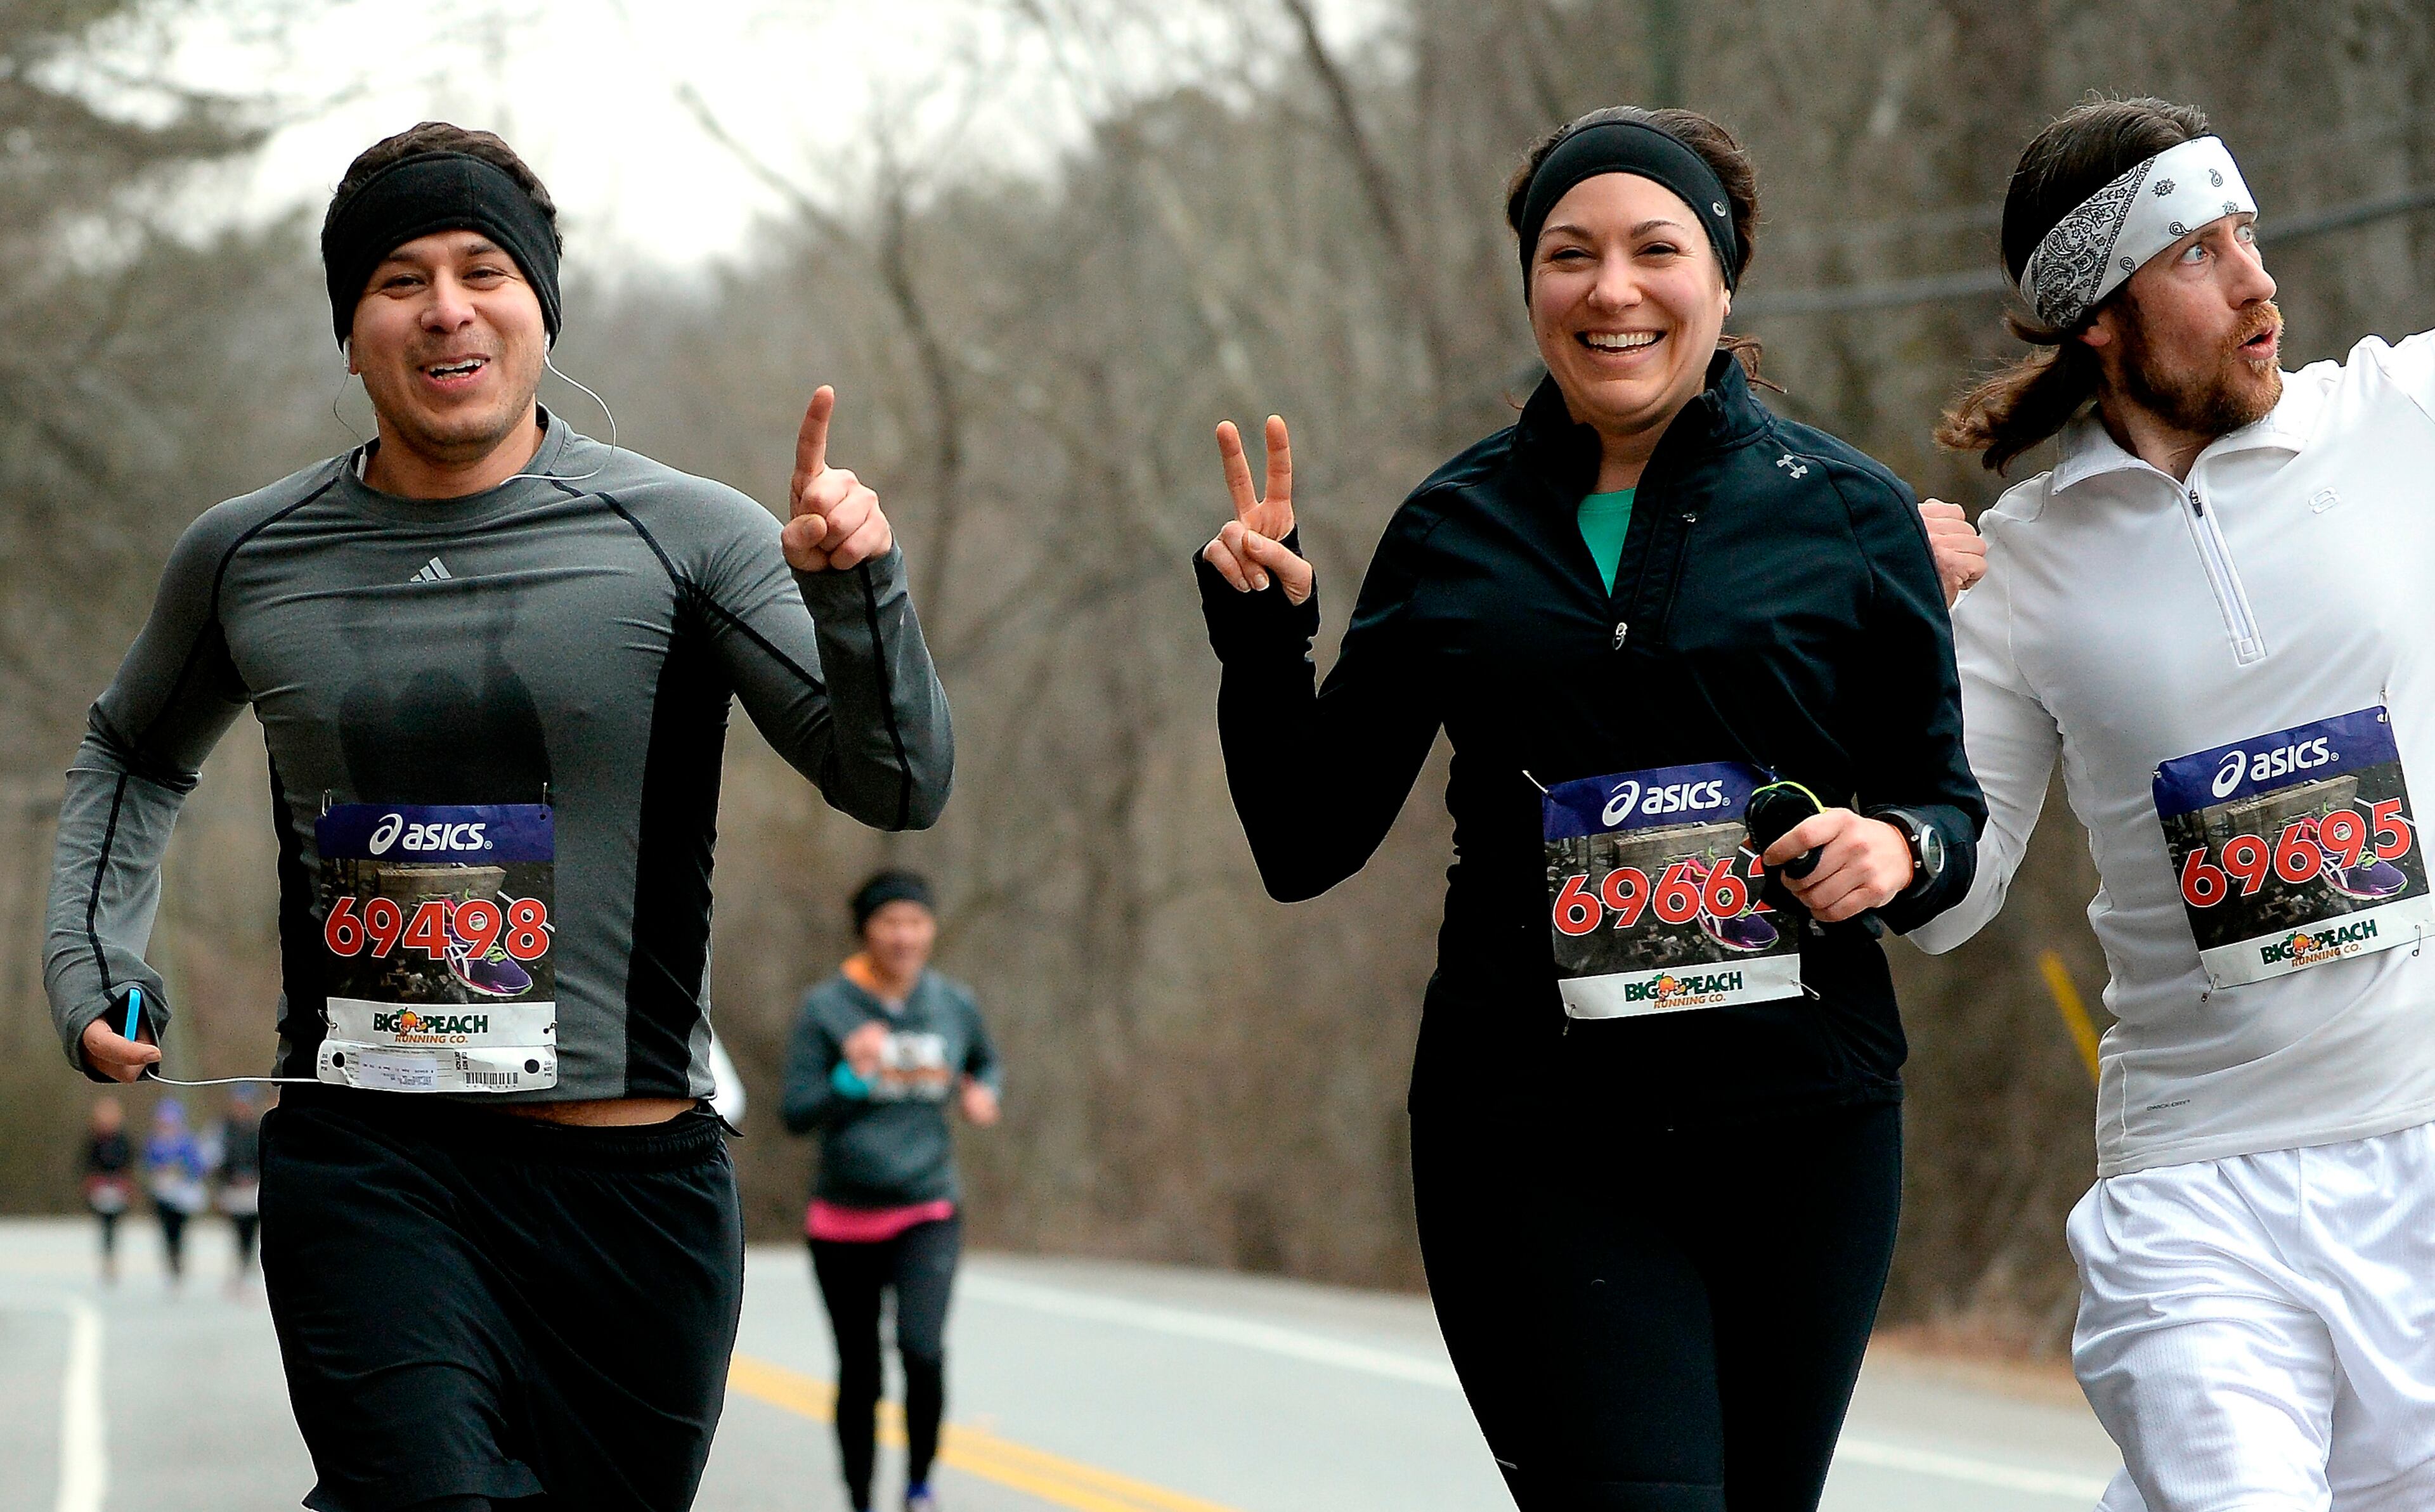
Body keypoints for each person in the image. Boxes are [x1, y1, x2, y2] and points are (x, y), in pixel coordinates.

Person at [42, 121, 952, 1512]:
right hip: (371, 1163)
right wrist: (93, 960)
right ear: (350, 331)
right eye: (400, 278)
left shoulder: (686, 536)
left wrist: (857, 594)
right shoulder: (247, 555)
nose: (448, 307)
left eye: (484, 270)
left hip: (630, 1190)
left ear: (540, 307)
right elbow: (130, 750)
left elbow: (894, 783)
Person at [1195, 105, 1983, 1511]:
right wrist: (1264, 645)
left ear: (1723, 277)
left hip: (1802, 1127)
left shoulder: (1853, 513)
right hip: (1536, 1131)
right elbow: (1305, 842)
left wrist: (1897, 845)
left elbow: (1945, 807)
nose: (1611, 289)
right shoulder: (1453, 529)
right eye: (1570, 255)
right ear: (1532, 285)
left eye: (1654, 249)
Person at [1914, 96, 2435, 1512]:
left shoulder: (2401, 420)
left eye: (2248, 233)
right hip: (2203, 1190)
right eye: (2201, 252)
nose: (2260, 278)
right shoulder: (2018, 573)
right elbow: (1948, 899)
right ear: (2100, 313)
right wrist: (1889, 632)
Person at [782, 870, 1001, 1512]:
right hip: (842, 1219)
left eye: (916, 923)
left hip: (927, 1207)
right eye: (890, 923)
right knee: (861, 1373)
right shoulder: (827, 1008)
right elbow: (796, 1113)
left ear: (931, 930)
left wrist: (984, 1090)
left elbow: (985, 1059)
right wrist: (850, 1077)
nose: (904, 936)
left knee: (922, 1350)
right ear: (866, 930)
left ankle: (920, 1487)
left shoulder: (954, 1004)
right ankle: (859, 1497)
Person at [145, 1097, 209, 1288]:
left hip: (182, 1195)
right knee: (166, 1230)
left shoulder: (187, 1142)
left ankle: (179, 1259)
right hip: (162, 1193)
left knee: (180, 1230)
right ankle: (171, 1261)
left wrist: (181, 1171)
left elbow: (197, 1167)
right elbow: (148, 1165)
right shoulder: (154, 1142)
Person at [214, 1087, 266, 1290]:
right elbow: (218, 1160)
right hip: (232, 1188)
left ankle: (249, 1268)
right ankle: (239, 1268)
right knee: (236, 1230)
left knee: (252, 1231)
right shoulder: (224, 1130)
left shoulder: (258, 1130)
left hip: (253, 1188)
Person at [81, 1095, 134, 1285]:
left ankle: (113, 1260)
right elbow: (86, 1164)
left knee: (114, 1226)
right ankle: (107, 1260)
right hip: (100, 1188)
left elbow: (129, 1161)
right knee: (104, 1227)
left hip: (118, 1188)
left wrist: (124, 1183)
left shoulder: (123, 1139)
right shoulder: (94, 1140)